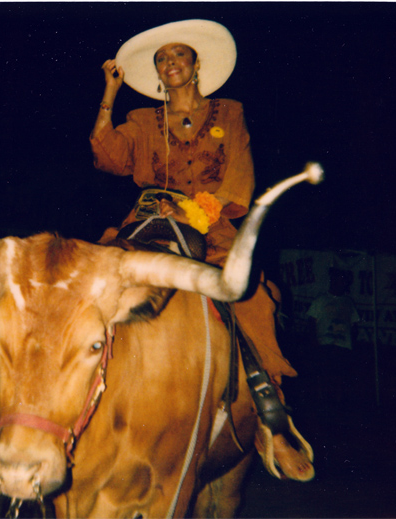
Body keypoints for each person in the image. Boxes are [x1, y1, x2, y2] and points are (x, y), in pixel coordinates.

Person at [90, 19, 314, 481]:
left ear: (196, 65)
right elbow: (108, 158)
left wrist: (194, 212)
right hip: (150, 220)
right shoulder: (141, 120)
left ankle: (271, 414)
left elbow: (239, 183)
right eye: (162, 59)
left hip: (212, 227)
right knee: (93, 281)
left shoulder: (229, 113)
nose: (170, 63)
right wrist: (111, 92)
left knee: (250, 298)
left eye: (179, 55)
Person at [307, 268, 360, 408]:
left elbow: (354, 324)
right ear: (332, 281)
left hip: (343, 346)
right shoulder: (321, 300)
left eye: (343, 281)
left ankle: (338, 404)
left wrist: (352, 344)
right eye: (337, 280)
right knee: (325, 375)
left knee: (340, 376)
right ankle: (323, 403)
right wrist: (314, 343)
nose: (340, 283)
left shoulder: (348, 302)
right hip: (325, 344)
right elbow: (311, 322)